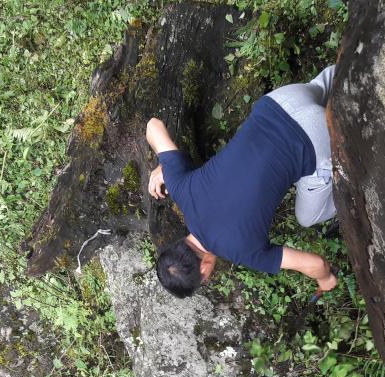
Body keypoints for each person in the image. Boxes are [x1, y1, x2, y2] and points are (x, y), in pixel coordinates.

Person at [145, 65, 339, 299]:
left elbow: (316, 263)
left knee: (307, 218)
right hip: (281, 102)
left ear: (204, 270)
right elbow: (153, 126)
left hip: (314, 139)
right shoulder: (181, 189)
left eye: (204, 280)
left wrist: (325, 279)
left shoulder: (244, 252)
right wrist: (164, 164)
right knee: (332, 80)